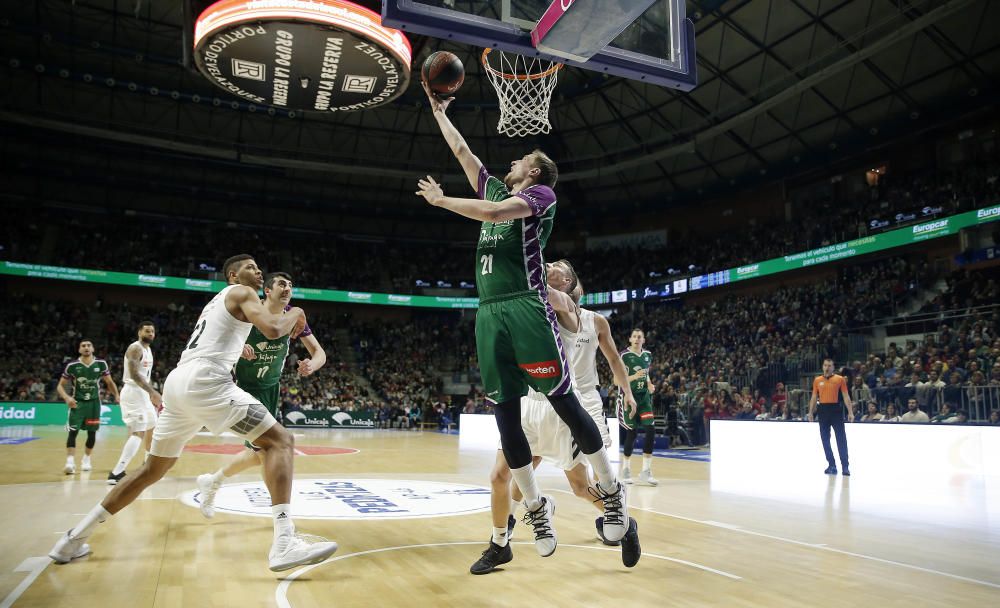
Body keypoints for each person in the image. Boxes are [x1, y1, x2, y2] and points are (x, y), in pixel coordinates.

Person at [417, 81, 629, 555]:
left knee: (565, 403)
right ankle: (535, 511)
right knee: (505, 418)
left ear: (532, 171)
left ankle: (612, 494)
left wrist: (443, 202)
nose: (509, 164)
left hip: (525, 304)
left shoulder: (541, 196)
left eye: (518, 161)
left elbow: (494, 213)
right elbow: (463, 151)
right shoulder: (497, 183)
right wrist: (438, 111)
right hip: (489, 311)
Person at [49, 255, 338, 572]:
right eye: (250, 267)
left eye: (259, 268)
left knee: (151, 470)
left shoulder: (218, 302)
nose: (257, 271)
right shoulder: (242, 292)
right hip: (207, 380)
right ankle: (284, 544)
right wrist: (296, 311)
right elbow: (272, 329)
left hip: (179, 382)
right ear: (233, 275)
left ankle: (73, 539)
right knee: (280, 442)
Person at [472, 263, 640, 574]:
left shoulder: (568, 306)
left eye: (559, 267)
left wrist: (627, 392)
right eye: (548, 263)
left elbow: (614, 358)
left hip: (565, 405)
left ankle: (625, 521)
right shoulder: (531, 305)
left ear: (570, 282)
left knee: (579, 486)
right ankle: (499, 543)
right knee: (501, 478)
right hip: (528, 403)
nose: (550, 265)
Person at [196, 272, 327, 517]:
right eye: (281, 283)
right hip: (241, 388)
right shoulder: (249, 311)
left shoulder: (292, 317)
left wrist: (313, 364)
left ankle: (213, 481)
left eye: (290, 284)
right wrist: (235, 346)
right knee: (269, 449)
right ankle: (281, 513)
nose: (287, 287)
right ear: (267, 290)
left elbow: (319, 352)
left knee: (258, 453)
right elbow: (214, 339)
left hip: (270, 389)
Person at [108, 321, 161, 485]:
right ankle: (116, 473)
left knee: (153, 425)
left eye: (152, 331)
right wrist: (152, 392)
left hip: (142, 394)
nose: (150, 334)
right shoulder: (135, 348)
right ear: (139, 332)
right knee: (138, 432)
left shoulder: (148, 349)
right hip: (133, 392)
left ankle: (147, 464)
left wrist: (149, 393)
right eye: (147, 331)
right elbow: (135, 375)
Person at [57, 339, 120, 475]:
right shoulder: (72, 365)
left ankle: (86, 459)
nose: (86, 348)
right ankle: (70, 462)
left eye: (89, 345)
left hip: (94, 403)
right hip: (77, 403)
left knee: (92, 433)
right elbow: (60, 385)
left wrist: (117, 395)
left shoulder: (101, 364)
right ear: (79, 350)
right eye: (83, 346)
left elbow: (109, 382)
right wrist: (67, 398)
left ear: (93, 349)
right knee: (73, 432)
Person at [620, 329, 657, 485]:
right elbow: (616, 381)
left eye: (639, 337)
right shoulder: (624, 356)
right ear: (630, 339)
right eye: (634, 336)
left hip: (644, 399)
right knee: (632, 433)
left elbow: (646, 373)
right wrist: (634, 377)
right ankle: (626, 468)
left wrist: (649, 383)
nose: (636, 339)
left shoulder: (647, 355)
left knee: (651, 429)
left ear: (643, 340)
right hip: (629, 398)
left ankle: (646, 471)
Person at [808, 359, 854, 476]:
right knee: (825, 439)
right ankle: (831, 464)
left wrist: (850, 412)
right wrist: (810, 412)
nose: (827, 367)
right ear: (822, 367)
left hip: (835, 410)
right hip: (822, 410)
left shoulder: (839, 379)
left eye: (829, 365)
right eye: (825, 365)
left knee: (841, 438)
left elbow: (845, 396)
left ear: (833, 367)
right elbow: (814, 397)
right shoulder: (817, 380)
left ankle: (845, 466)